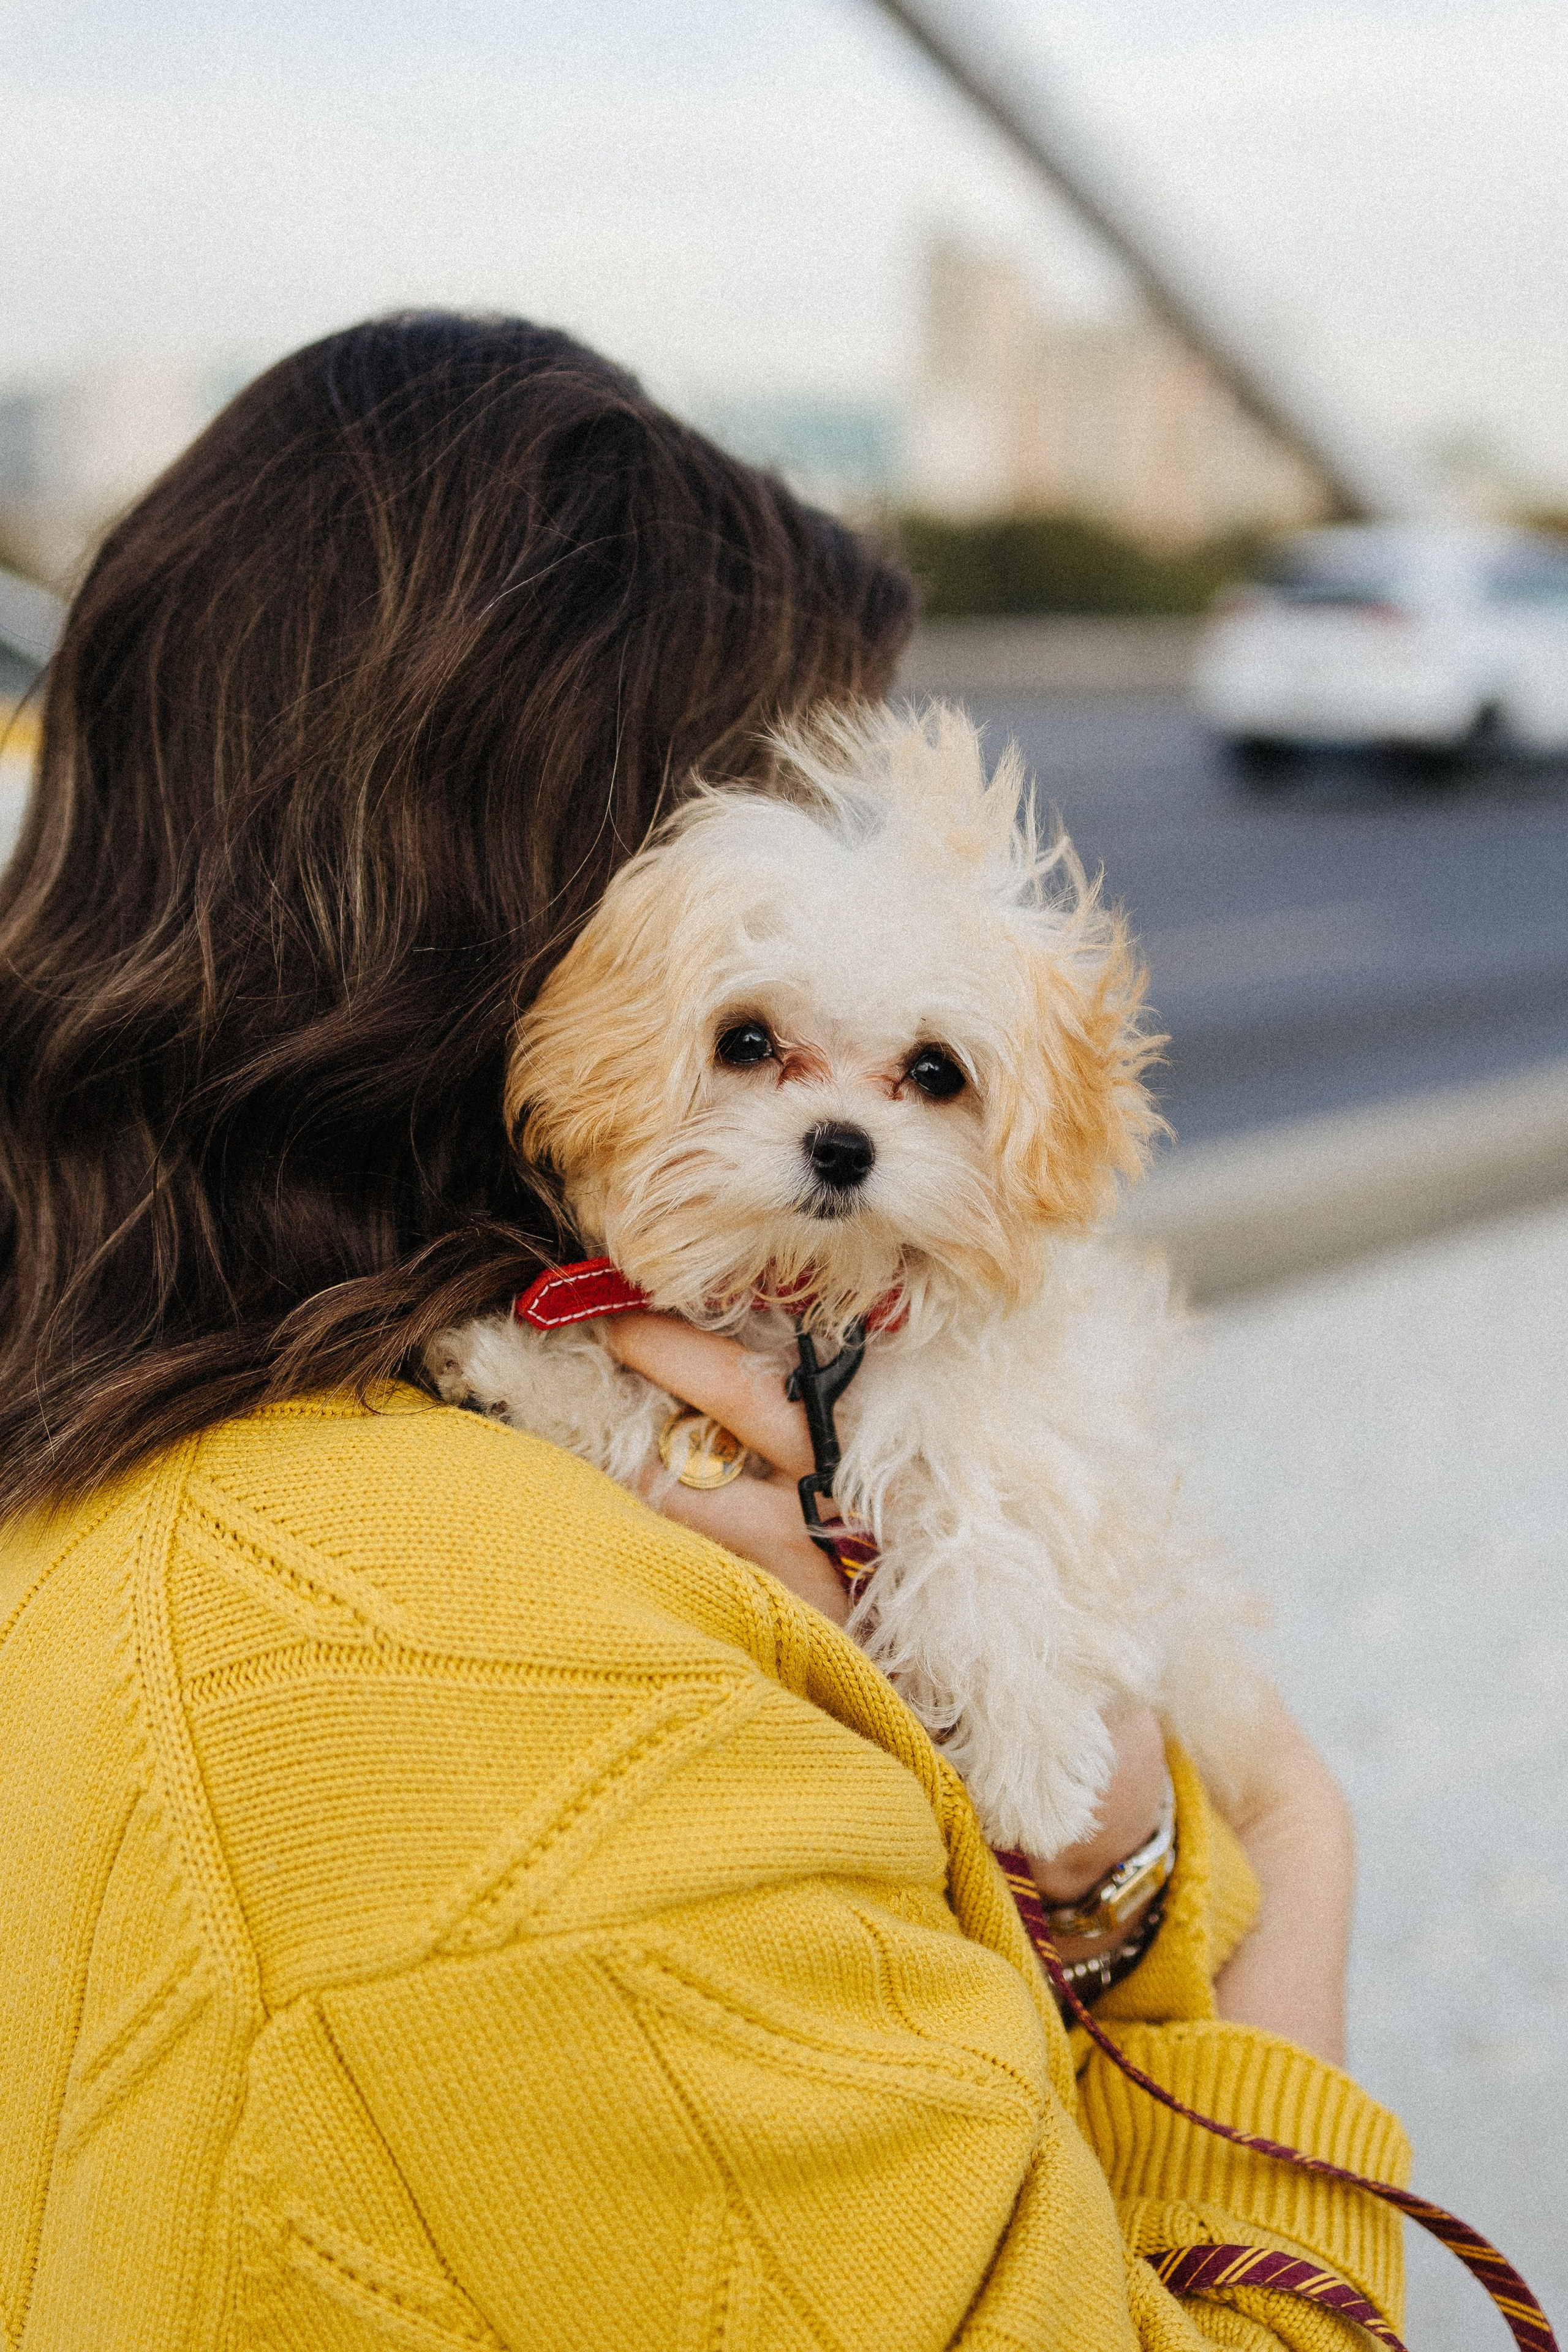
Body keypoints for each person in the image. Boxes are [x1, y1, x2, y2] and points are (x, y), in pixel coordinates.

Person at [0, 313, 1404, 2349]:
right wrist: (1249, 1865)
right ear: (568, 938)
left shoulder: (107, 1449)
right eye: (783, 802)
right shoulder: (548, 1714)